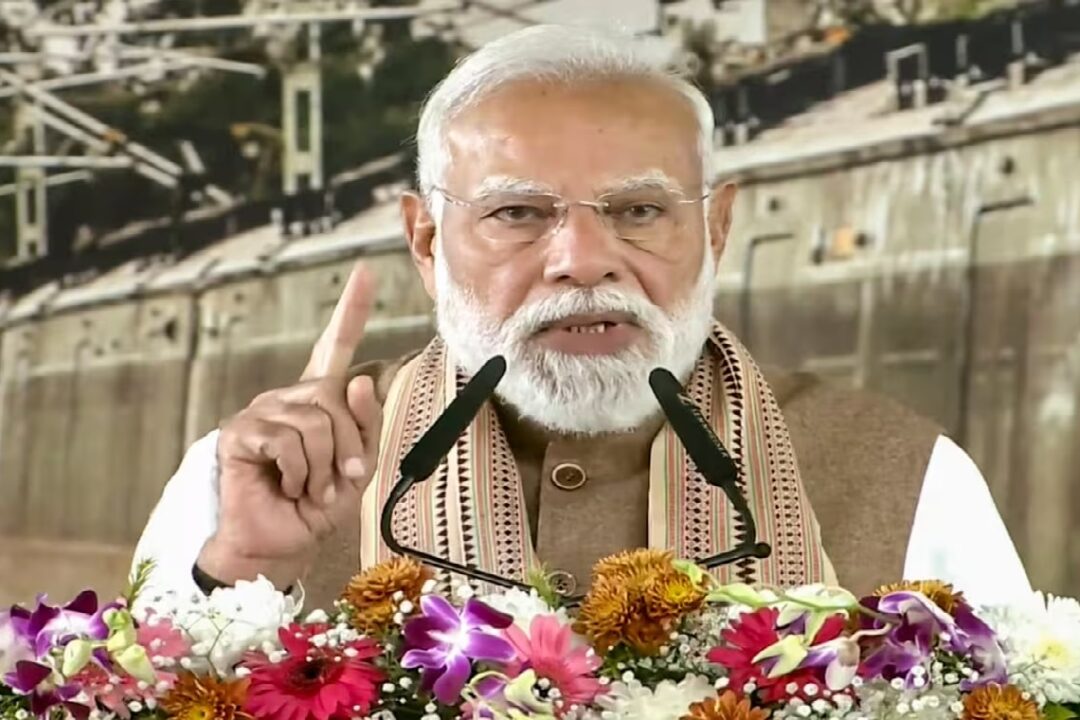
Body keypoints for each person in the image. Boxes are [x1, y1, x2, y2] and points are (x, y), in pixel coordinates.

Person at [133, 24, 1030, 611]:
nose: (582, 258)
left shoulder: (908, 475)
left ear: (715, 229)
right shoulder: (249, 480)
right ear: (426, 239)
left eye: (639, 210)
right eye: (518, 213)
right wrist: (246, 573)